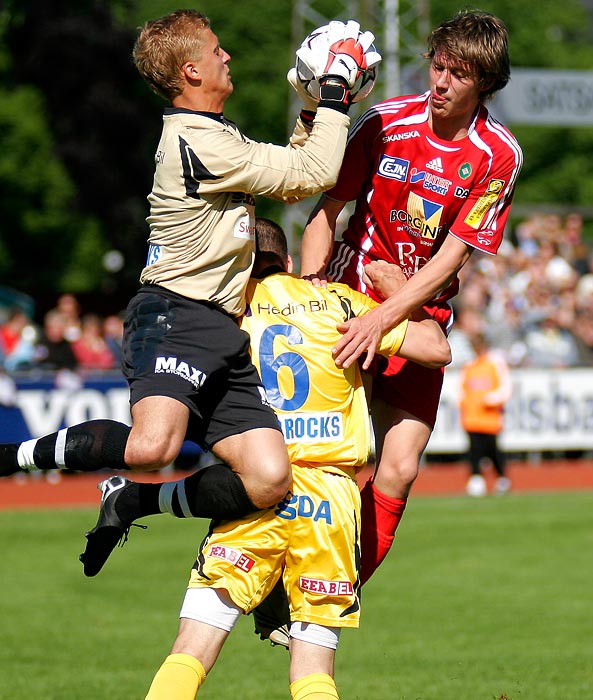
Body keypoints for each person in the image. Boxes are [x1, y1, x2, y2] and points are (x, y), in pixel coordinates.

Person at [0, 10, 380, 575]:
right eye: (217, 50)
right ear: (191, 69)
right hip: (176, 312)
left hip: (219, 325)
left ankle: (131, 499)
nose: (227, 57)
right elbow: (313, 175)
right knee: (153, 447)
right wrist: (333, 88)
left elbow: (300, 167)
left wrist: (311, 109)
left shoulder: (214, 134)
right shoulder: (196, 139)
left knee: (269, 477)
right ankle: (11, 458)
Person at [88, 218, 450, 700]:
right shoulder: (340, 303)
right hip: (332, 497)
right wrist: (398, 290)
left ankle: (138, 499)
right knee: (314, 670)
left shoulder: (223, 311)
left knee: (191, 651)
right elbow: (436, 349)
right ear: (291, 263)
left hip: (257, 486)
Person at [300, 9, 523, 583]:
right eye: (438, 66)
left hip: (416, 314)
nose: (441, 81)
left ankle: (336, 591)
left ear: (486, 83)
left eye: (459, 73)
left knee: (397, 470)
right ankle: (281, 582)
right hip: (349, 301)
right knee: (334, 464)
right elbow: (326, 212)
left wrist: (389, 313)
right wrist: (307, 295)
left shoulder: (498, 154)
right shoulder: (383, 120)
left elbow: (452, 257)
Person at [459, 331, 512, 496]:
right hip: (472, 417)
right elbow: (462, 388)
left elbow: (505, 388)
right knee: (474, 450)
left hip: (490, 418)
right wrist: (463, 403)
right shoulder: (469, 365)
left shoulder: (495, 364)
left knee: (492, 449)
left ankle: (502, 478)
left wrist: (490, 399)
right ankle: (476, 480)